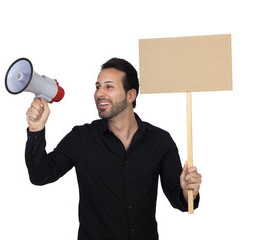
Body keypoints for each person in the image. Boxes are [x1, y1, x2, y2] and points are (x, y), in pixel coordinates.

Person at [25, 58, 202, 240]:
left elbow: (180, 201)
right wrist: (36, 130)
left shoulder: (160, 141)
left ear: (130, 95)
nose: (99, 93)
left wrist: (188, 192)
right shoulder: (81, 138)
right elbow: (40, 175)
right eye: (97, 87)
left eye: (108, 87)